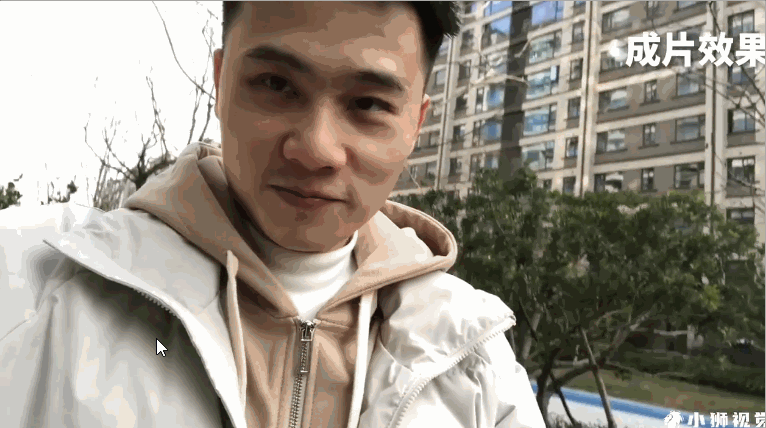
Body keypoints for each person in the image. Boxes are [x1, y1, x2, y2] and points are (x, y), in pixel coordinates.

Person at [0, 2, 545, 427]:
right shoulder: (36, 288)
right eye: (277, 85)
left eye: (368, 104)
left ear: (416, 123)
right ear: (220, 83)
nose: (316, 149)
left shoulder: (475, 365)